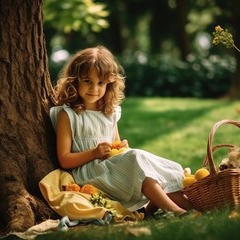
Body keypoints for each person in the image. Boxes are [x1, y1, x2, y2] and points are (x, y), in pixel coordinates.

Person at [49, 46, 191, 217]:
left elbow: (115, 145)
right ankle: (173, 210)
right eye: (88, 81)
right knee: (136, 160)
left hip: (110, 167)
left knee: (147, 162)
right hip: (88, 173)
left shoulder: (110, 113)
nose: (94, 88)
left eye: (101, 83)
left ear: (109, 83)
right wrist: (94, 153)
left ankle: (191, 208)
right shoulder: (68, 115)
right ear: (75, 80)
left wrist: (121, 146)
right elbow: (64, 160)